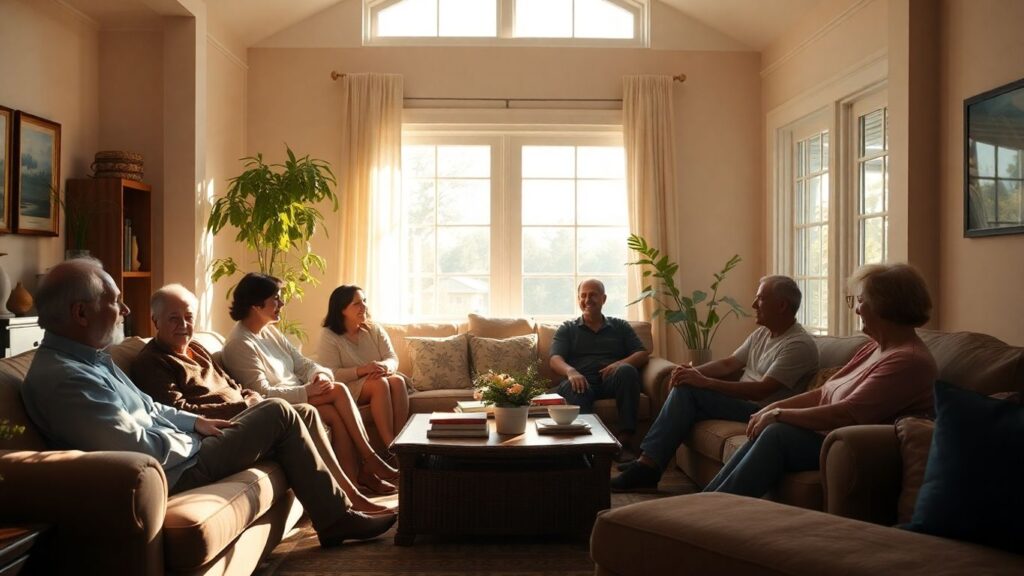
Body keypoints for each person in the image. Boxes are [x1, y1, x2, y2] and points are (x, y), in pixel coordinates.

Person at [20, 259, 395, 547]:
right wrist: (197, 439)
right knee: (280, 411)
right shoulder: (65, 378)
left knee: (295, 411)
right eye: (115, 302)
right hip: (178, 469)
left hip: (187, 448)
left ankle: (341, 508)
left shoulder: (93, 358)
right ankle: (338, 515)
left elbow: (150, 409)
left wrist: (194, 423)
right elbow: (134, 448)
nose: (126, 311)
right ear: (80, 313)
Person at [131, 284, 393, 515]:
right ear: (155, 320)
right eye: (173, 319)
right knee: (296, 407)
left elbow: (230, 382)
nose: (184, 325)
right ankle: (353, 492)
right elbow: (181, 411)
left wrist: (248, 395)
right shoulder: (152, 361)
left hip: (248, 411)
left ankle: (349, 493)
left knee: (313, 411)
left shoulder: (196, 347)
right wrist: (247, 404)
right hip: (218, 430)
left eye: (188, 317)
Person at [703, 263, 937, 498]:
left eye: (860, 301)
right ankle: (705, 503)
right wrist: (773, 409)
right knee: (771, 429)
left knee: (777, 434)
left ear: (885, 305)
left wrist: (778, 415)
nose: (856, 310)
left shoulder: (909, 361)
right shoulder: (872, 349)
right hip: (828, 438)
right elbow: (823, 392)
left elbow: (847, 413)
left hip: (856, 450)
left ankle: (713, 508)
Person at [612, 275, 819, 492]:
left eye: (760, 299)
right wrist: (688, 372)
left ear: (782, 305)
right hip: (743, 404)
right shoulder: (762, 334)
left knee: (689, 392)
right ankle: (648, 464)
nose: (753, 304)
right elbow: (729, 363)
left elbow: (761, 390)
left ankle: (648, 466)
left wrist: (704, 382)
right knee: (686, 386)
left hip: (762, 410)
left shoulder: (798, 345)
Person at [221, 272, 398, 495]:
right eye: (276, 298)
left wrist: (319, 375)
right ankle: (370, 462)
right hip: (280, 408)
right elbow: (262, 394)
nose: (282, 303)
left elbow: (303, 364)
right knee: (340, 391)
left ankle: (356, 481)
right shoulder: (239, 343)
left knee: (336, 413)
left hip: (304, 396)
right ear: (257, 304)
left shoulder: (269, 331)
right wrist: (307, 390)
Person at [550, 278, 650, 461]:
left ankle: (625, 441)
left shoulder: (620, 326)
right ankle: (587, 448)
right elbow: (555, 359)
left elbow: (642, 353)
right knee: (576, 387)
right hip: (580, 381)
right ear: (578, 299)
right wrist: (571, 372)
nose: (587, 299)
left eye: (593, 295)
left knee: (627, 371)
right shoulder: (568, 328)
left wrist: (620, 363)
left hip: (611, 380)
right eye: (583, 295)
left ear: (604, 299)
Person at [315, 285, 409, 446]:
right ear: (341, 309)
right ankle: (391, 447)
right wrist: (363, 370)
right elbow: (331, 373)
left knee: (398, 381)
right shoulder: (328, 335)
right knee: (379, 384)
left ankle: (402, 443)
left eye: (364, 301)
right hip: (347, 386)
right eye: (357, 303)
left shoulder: (374, 329)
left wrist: (384, 367)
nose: (364, 306)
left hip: (379, 378)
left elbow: (392, 358)